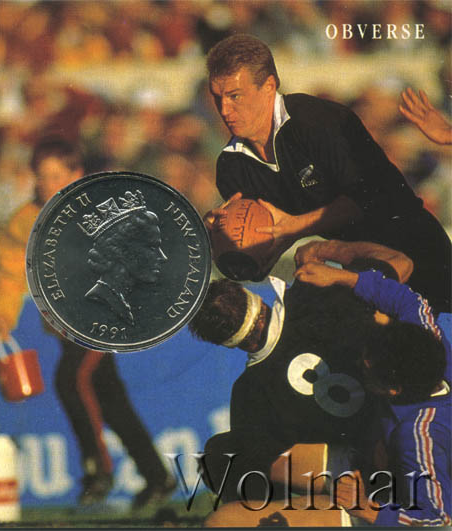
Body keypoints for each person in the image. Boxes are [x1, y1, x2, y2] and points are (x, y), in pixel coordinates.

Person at [0, 136, 175, 509]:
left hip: (102, 319)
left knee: (71, 380)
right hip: (68, 326)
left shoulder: (96, 210)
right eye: (42, 177)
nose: (47, 184)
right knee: (110, 399)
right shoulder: (27, 219)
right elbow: (9, 271)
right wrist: (3, 313)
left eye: (56, 176)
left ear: (76, 175)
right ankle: (157, 476)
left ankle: (97, 470)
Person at [204, 34, 451, 313]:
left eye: (235, 96)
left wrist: (296, 226)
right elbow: (257, 265)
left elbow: (367, 200)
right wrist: (220, 238)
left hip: (418, 251)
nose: (224, 110)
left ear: (269, 86)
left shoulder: (320, 121)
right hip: (357, 270)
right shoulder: (231, 167)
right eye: (217, 97)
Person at [188, 239, 415, 510]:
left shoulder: (248, 394)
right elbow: (402, 263)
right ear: (253, 295)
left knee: (222, 455)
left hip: (358, 477)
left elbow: (258, 481)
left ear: (226, 343)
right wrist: (331, 250)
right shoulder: (313, 290)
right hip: (417, 433)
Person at [296, 254, 451, 526]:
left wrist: (366, 508)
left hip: (396, 495)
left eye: (366, 370)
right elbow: (408, 301)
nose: (359, 365)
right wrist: (341, 277)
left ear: (393, 389)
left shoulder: (418, 435)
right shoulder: (428, 338)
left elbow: (439, 517)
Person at [81, 191, 168, 326]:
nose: (163, 257)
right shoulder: (99, 299)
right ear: (122, 251)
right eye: (152, 247)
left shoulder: (120, 299)